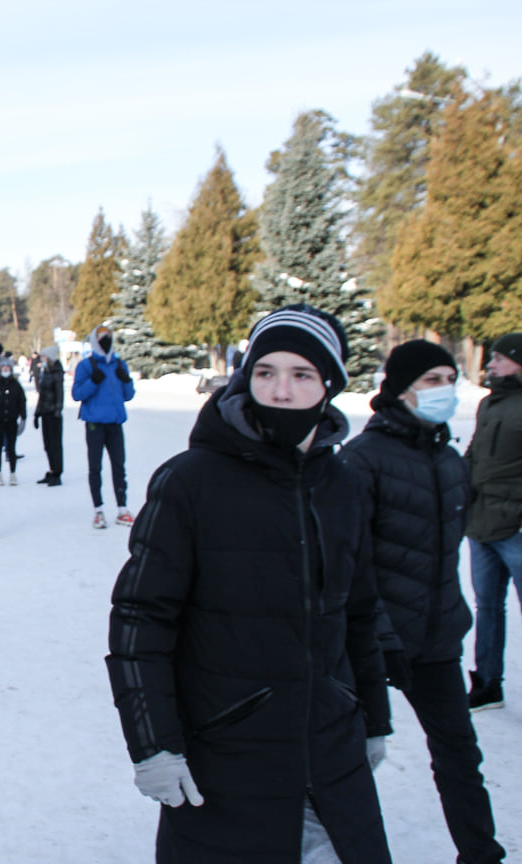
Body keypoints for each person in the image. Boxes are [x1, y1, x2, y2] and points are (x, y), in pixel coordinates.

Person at [105, 304, 393, 863]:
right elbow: (142, 620)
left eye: (301, 375)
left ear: (330, 385)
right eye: (266, 373)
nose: (281, 391)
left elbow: (360, 611)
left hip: (332, 754)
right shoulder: (190, 481)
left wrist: (373, 717)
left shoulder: (346, 485)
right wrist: (154, 745)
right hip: (227, 755)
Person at [339, 340, 505, 864]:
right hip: (369, 642)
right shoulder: (362, 460)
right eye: (433, 380)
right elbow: (350, 561)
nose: (445, 391)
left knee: (459, 754)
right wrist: (377, 636)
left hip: (435, 640)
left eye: (449, 380)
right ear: (401, 388)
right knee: (349, 759)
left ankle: (481, 854)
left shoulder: (448, 458)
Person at [464, 331, 522, 712]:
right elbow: (475, 454)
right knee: (487, 607)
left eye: (500, 358)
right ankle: (488, 683)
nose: (491, 364)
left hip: (515, 525)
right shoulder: (489, 404)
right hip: (481, 522)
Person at [72, 324, 135, 529]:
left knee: (119, 466)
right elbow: (77, 394)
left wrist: (126, 380)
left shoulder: (118, 364)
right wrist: (93, 381)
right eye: (101, 337)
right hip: (95, 424)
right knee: (95, 467)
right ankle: (98, 510)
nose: (105, 340)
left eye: (108, 336)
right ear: (94, 340)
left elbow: (128, 395)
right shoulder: (86, 366)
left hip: (115, 423)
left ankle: (122, 509)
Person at [0, 355, 26, 486]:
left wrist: (23, 418)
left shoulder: (16, 385)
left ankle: (13, 473)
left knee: (11, 448)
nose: (5, 370)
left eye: (8, 368)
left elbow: (22, 402)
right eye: (3, 368)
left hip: (11, 421)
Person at [34, 347, 65, 486]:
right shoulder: (45, 372)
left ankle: (57, 472)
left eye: (44, 357)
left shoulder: (57, 373)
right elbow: (41, 395)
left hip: (53, 414)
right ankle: (52, 470)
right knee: (47, 445)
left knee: (55, 445)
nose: (42, 360)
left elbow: (59, 394)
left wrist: (58, 410)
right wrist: (37, 413)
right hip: (45, 412)